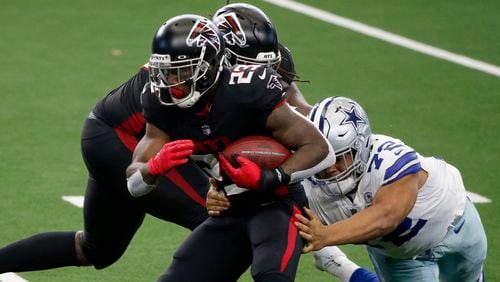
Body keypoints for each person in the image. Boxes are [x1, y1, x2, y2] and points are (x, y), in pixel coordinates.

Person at [0, 2, 317, 275]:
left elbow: (299, 110)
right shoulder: (180, 76)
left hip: (134, 139)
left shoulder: (258, 67)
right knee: (221, 217)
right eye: (248, 65)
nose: (262, 75)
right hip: (124, 141)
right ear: (220, 58)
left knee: (97, 249)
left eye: (268, 66)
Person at [126, 14, 335, 282]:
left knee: (271, 276)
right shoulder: (160, 102)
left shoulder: (247, 90)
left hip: (278, 205)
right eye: (165, 72)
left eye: (183, 70)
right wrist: (152, 169)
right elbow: (133, 184)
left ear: (211, 65)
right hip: (229, 210)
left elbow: (320, 148)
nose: (171, 82)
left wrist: (269, 176)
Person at [295, 96, 487, 281]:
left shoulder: (388, 159)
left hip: (455, 226)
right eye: (323, 157)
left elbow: (388, 216)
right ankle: (337, 264)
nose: (329, 167)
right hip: (399, 258)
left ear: (360, 147)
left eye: (338, 157)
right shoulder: (309, 186)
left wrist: (326, 235)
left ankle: (338, 265)